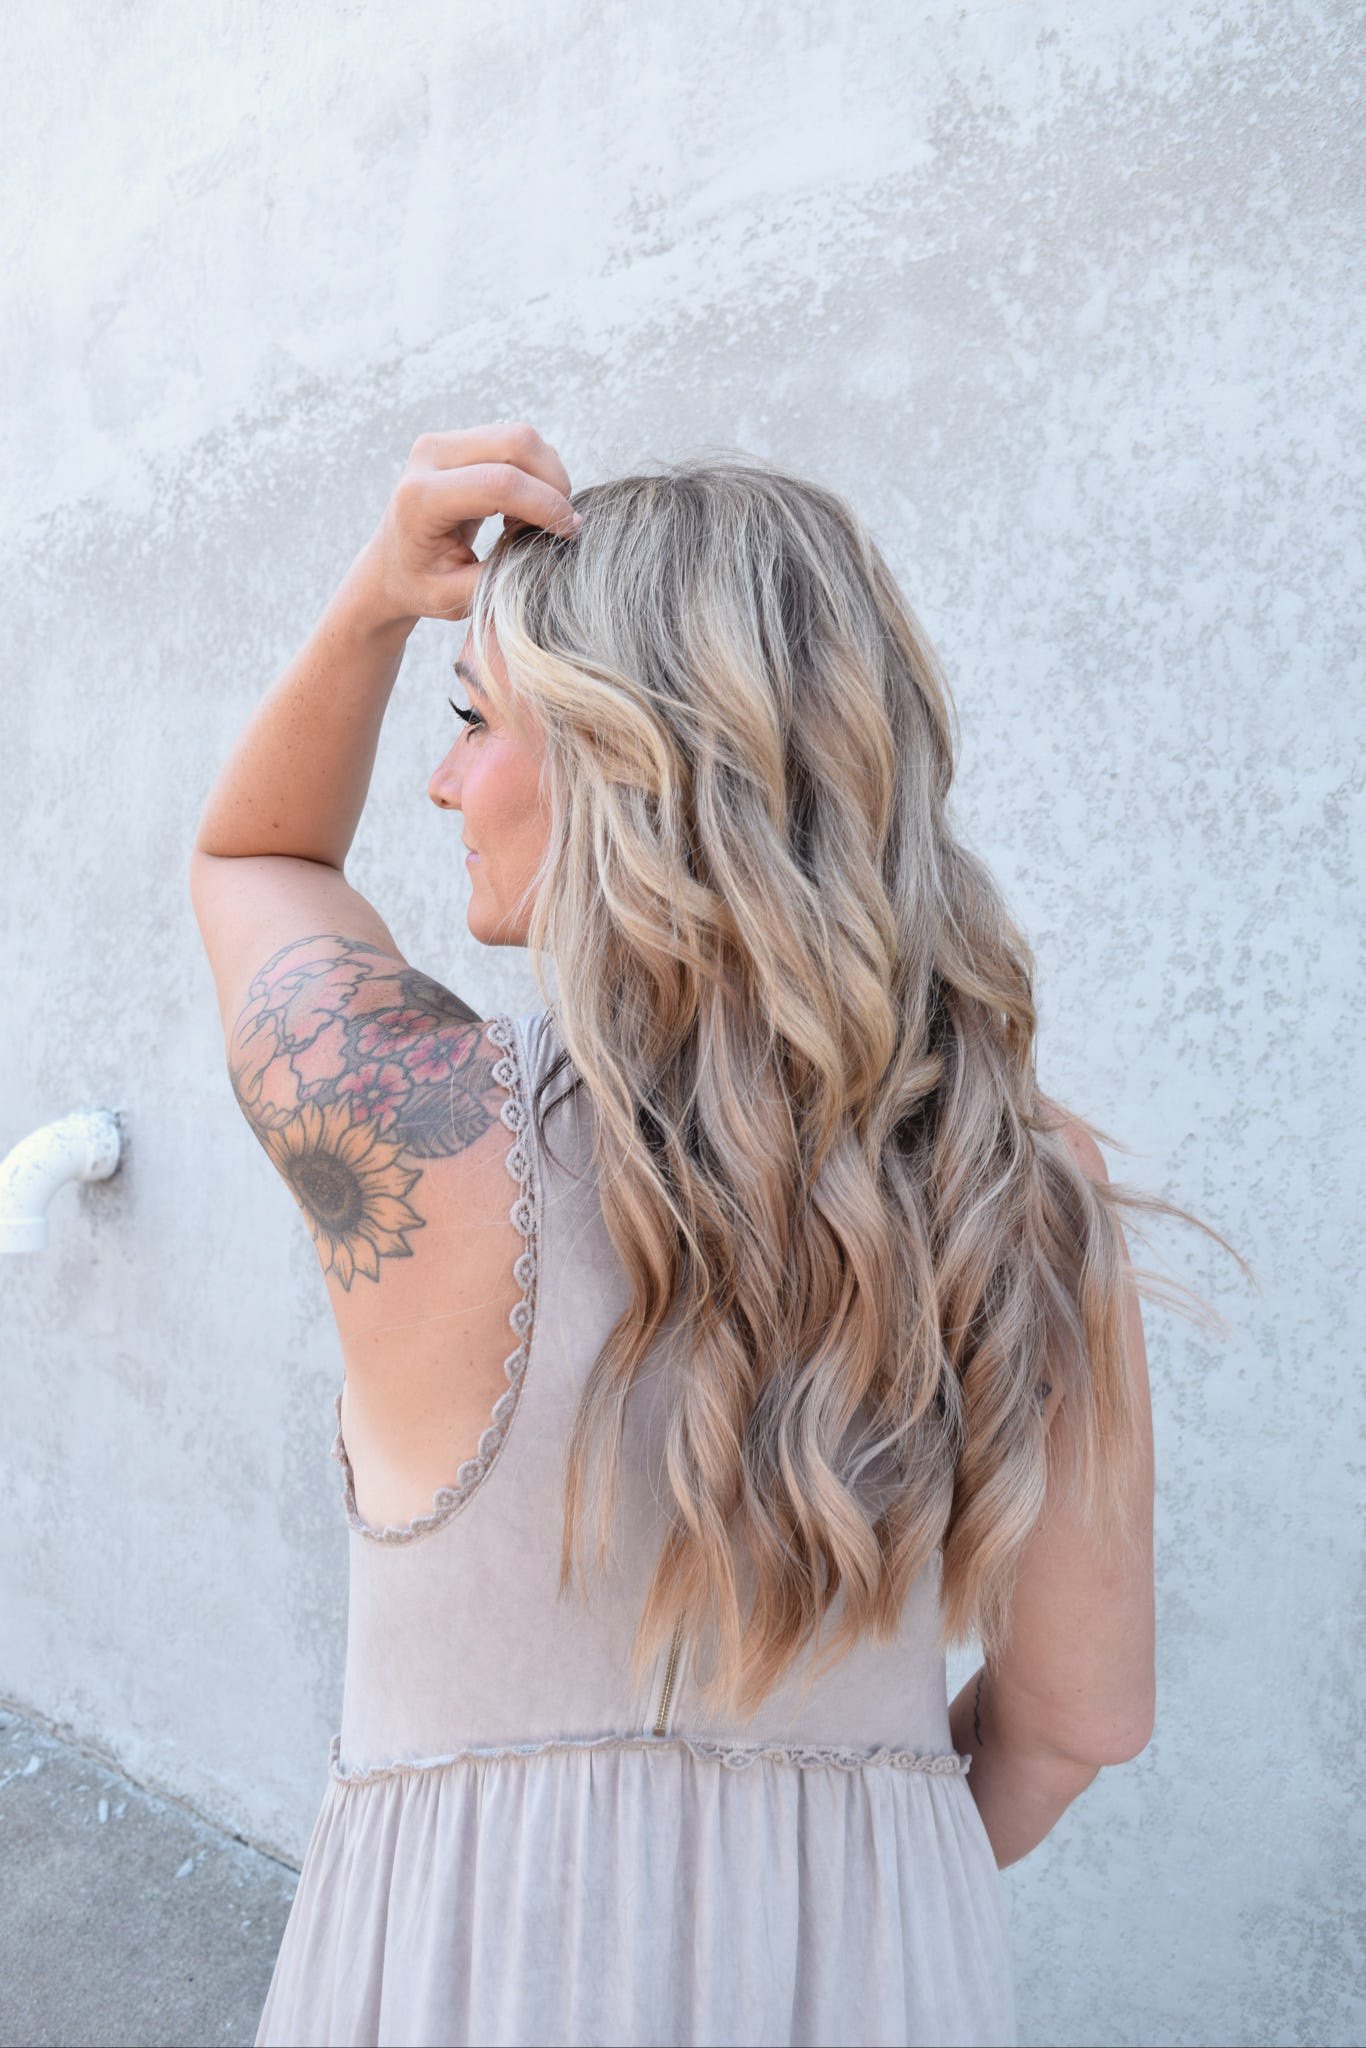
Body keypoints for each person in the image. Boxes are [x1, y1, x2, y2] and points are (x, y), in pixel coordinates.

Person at [189, 424, 1237, 2048]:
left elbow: (257, 856)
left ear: (627, 768)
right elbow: (1078, 1719)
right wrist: (849, 1878)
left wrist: (376, 602)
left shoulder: (414, 1131)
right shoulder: (1019, 1187)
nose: (442, 779)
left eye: (474, 724)